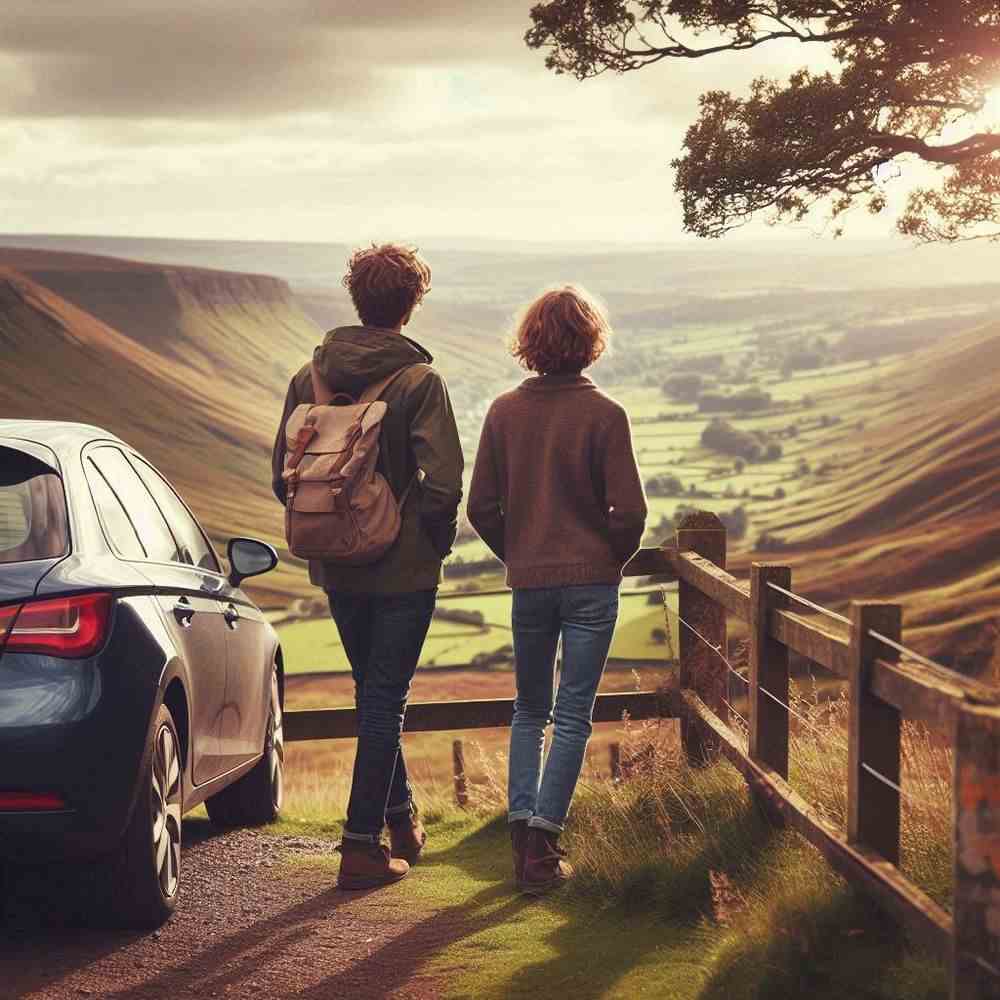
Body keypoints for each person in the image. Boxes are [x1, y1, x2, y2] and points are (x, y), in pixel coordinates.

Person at [272, 243, 464, 889]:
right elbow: (443, 483)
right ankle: (360, 845)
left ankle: (402, 822)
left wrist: (332, 528)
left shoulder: (311, 377)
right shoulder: (420, 381)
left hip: (336, 564)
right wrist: (426, 542)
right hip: (403, 571)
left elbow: (284, 476)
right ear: (411, 304)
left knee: (373, 694)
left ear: (357, 298)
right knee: (386, 698)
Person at [468, 285, 647, 894]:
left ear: (531, 341)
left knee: (529, 710)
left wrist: (520, 553)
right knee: (572, 715)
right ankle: (544, 845)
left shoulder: (503, 412)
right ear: (590, 341)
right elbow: (630, 513)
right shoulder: (607, 416)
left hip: (530, 583)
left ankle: (523, 836)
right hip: (592, 582)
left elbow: (481, 508)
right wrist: (607, 558)